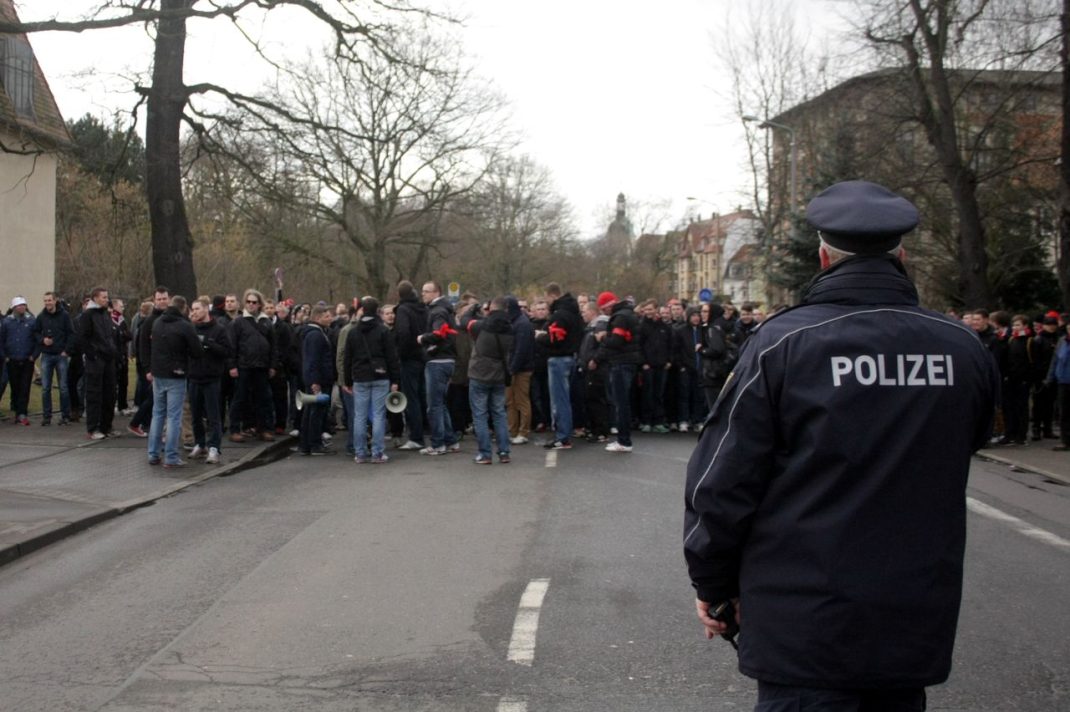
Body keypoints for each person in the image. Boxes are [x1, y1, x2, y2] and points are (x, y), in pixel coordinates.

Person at [684, 180, 999, 711]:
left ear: (824, 255)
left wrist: (713, 583)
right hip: (912, 615)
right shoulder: (962, 347)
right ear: (902, 254)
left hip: (804, 620)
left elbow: (722, 479)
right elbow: (968, 440)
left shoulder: (783, 343)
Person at [146, 296, 202, 467]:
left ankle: (153, 453)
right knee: (174, 417)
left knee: (157, 414)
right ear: (184, 308)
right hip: (176, 374)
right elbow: (196, 351)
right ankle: (171, 456)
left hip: (158, 373)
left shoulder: (157, 323)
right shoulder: (185, 326)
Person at [342, 298, 400, 463]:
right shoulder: (383, 331)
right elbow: (391, 357)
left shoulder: (353, 332)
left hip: (360, 377)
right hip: (380, 376)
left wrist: (347, 381)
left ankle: (360, 453)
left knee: (359, 416)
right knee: (378, 415)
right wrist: (395, 379)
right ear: (377, 311)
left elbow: (347, 358)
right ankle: (377, 453)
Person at [461, 297, 514, 464]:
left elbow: (464, 321)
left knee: (480, 414)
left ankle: (485, 454)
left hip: (479, 374)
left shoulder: (481, 326)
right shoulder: (510, 328)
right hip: (499, 374)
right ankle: (504, 452)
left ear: (490, 308)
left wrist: (473, 308)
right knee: (499, 413)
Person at [535, 283, 583, 449]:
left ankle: (562, 436)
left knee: (559, 399)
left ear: (552, 295)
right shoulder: (574, 312)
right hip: (571, 357)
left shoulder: (559, 315)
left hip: (558, 359)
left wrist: (540, 336)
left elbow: (555, 339)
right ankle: (564, 433)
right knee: (566, 398)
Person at [593, 291, 641, 453]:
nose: (604, 313)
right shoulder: (629, 314)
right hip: (629, 361)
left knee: (621, 403)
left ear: (608, 306)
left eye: (603, 309)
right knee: (624, 402)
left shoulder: (619, 318)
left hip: (621, 362)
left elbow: (616, 341)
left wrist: (602, 337)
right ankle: (624, 438)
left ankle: (624, 440)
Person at [227, 289, 278, 443]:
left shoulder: (266, 322)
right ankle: (235, 429)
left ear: (259, 304)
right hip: (244, 366)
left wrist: (272, 365)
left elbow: (273, 346)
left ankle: (265, 429)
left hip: (262, 366)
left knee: (265, 399)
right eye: (248, 301)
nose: (250, 304)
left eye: (254, 302)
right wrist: (232, 366)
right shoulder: (238, 322)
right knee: (239, 398)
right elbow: (231, 346)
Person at [417, 281, 461, 456]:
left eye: (426, 292)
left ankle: (437, 444)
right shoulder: (446, 309)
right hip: (447, 361)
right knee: (440, 403)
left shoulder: (438, 311)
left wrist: (422, 339)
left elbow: (439, 334)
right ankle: (450, 440)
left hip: (438, 361)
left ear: (436, 292)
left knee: (434, 405)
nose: (423, 295)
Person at [188, 297, 231, 464]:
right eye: (193, 309)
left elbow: (227, 351)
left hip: (212, 378)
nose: (195, 312)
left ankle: (214, 447)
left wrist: (209, 344)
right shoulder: (190, 329)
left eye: (198, 308)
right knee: (195, 415)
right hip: (194, 376)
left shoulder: (219, 329)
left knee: (213, 415)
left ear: (206, 309)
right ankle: (200, 443)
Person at [78, 287, 121, 440]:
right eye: (103, 297)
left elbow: (110, 335)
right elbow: (83, 338)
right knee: (94, 395)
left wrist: (113, 352)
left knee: (110, 394)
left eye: (107, 297)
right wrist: (93, 355)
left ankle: (106, 425)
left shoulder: (105, 314)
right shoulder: (88, 315)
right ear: (95, 298)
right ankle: (93, 427)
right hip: (95, 361)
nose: (106, 299)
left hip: (108, 359)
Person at [394, 280, 428, 450]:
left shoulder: (403, 310)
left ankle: (416, 436)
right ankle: (424, 430)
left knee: (411, 398)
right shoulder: (423, 309)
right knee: (421, 396)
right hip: (423, 355)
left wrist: (400, 353)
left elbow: (403, 332)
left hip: (409, 358)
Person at [33, 291, 74, 425]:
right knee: (45, 387)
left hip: (61, 355)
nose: (47, 303)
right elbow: (35, 332)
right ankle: (47, 416)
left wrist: (66, 350)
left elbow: (71, 334)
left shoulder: (64, 316)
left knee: (63, 387)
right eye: (45, 301)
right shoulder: (41, 316)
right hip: (47, 355)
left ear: (55, 300)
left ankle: (65, 415)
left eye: (49, 300)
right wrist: (42, 340)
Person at [300, 305, 335, 456]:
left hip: (318, 378)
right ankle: (314, 444)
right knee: (316, 412)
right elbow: (313, 360)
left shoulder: (318, 333)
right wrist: (315, 381)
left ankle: (306, 444)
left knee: (313, 411)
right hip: (318, 380)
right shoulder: (315, 335)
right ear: (318, 318)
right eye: (327, 316)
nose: (330, 318)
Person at [1, 296, 36, 425]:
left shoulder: (31, 321)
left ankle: (22, 413)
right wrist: (4, 355)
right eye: (19, 306)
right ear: (14, 308)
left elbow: (36, 339)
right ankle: (17, 410)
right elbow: (2, 340)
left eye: (23, 305)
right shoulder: (6, 322)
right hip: (12, 359)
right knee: (15, 387)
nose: (22, 308)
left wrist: (34, 355)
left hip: (27, 359)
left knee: (25, 386)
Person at [505, 295, 535, 445]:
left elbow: (521, 349)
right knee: (511, 401)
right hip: (514, 367)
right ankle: (513, 430)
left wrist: (512, 368)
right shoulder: (517, 322)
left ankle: (523, 431)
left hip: (521, 369)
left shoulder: (522, 324)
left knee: (521, 400)